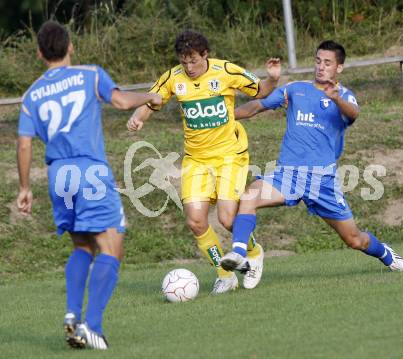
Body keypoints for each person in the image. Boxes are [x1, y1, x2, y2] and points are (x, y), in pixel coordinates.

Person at [16, 20, 162, 350]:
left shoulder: (32, 94)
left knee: (82, 245)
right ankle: (91, 326)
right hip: (90, 172)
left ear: (40, 53)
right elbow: (122, 102)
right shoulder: (89, 74)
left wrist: (25, 188)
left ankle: (72, 315)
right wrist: (150, 95)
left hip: (58, 174)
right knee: (112, 246)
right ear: (70, 46)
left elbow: (24, 144)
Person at [220, 40, 403, 274]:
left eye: (328, 63)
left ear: (339, 68)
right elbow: (257, 106)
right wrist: (224, 117)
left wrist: (336, 98)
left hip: (322, 181)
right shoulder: (295, 89)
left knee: (354, 239)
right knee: (249, 196)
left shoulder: (344, 96)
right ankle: (240, 255)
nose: (321, 67)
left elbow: (354, 114)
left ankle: (385, 253)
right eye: (318, 61)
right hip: (287, 175)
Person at [127, 30, 281, 293]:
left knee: (227, 218)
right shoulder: (174, 78)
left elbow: (261, 92)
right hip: (196, 160)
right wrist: (139, 117)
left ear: (205, 55)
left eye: (194, 61)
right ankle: (225, 275)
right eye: (184, 62)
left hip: (230, 156)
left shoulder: (226, 71)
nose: (189, 67)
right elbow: (152, 100)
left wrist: (272, 79)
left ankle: (253, 253)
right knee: (196, 221)